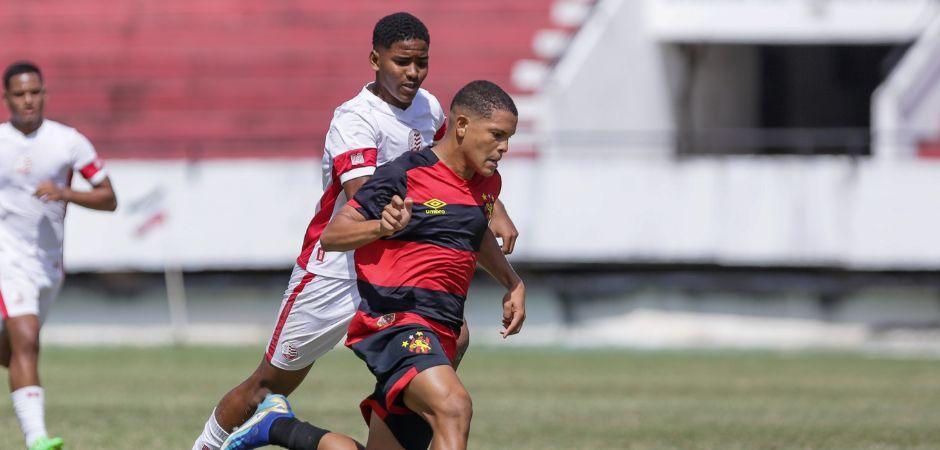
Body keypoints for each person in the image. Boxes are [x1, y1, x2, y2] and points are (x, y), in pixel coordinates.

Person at [193, 12, 520, 450]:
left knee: (455, 341)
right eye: (402, 62)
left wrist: (490, 206)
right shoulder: (354, 119)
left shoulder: (431, 109)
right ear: (374, 59)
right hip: (337, 271)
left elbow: (455, 168)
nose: (413, 73)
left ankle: (398, 428)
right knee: (269, 382)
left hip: (397, 268)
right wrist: (443, 214)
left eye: (421, 62)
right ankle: (212, 443)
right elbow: (366, 194)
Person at [0, 61, 118, 450]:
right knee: (27, 339)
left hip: (48, 265)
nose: (28, 100)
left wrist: (65, 193)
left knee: (15, 350)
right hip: (6, 259)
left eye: (35, 92)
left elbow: (108, 197)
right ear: (7, 99)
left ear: (44, 94)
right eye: (19, 94)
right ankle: (37, 439)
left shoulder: (68, 142)